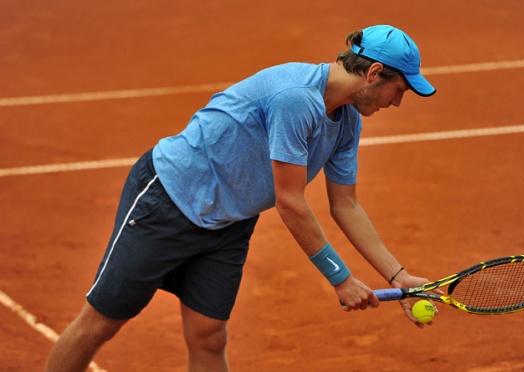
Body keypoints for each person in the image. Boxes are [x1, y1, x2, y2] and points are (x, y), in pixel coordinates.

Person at [45, 24, 439, 371]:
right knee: (102, 322)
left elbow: (346, 204)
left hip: (229, 221)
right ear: (373, 73)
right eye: (398, 90)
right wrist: (340, 278)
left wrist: (398, 276)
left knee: (209, 336)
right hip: (169, 200)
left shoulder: (348, 118)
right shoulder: (296, 99)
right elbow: (290, 200)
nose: (397, 102)